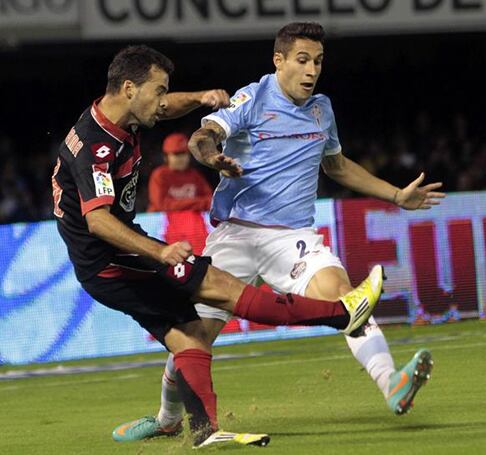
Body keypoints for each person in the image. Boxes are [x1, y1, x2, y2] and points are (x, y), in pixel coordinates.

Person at [113, 22, 442, 442]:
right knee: (193, 335)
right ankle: (167, 418)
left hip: (292, 237)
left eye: (318, 62)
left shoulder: (322, 109)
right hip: (236, 235)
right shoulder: (252, 98)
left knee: (345, 297)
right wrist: (213, 157)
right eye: (302, 60)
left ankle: (391, 382)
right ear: (279, 61)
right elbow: (202, 136)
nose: (312, 71)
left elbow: (337, 167)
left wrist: (396, 195)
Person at [51, 44, 384, 449]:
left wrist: (198, 98)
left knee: (190, 334)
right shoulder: (96, 147)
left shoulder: (120, 115)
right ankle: (342, 314)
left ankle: (203, 430)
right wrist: (159, 252)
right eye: (158, 91)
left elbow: (164, 108)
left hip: (107, 262)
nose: (162, 102)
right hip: (113, 258)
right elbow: (98, 220)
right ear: (128, 88)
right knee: (222, 288)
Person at [148, 132, 213, 253]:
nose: (181, 158)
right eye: (176, 154)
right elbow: (161, 205)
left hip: (193, 228)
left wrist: (178, 204)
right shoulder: (160, 174)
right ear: (166, 156)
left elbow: (211, 201)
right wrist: (197, 203)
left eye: (184, 154)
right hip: (161, 228)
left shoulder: (194, 175)